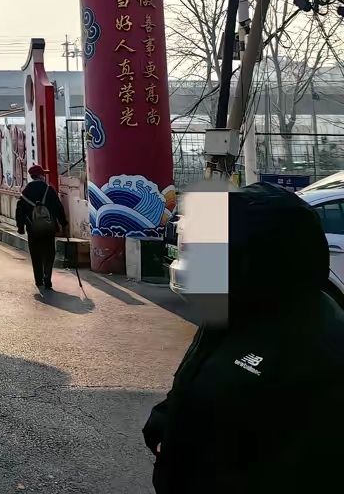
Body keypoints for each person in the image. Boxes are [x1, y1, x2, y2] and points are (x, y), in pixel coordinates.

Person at [142, 183, 342, 493]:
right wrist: (165, 421)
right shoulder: (235, 307)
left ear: (263, 257)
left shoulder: (320, 348)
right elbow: (198, 376)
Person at [15, 164, 67, 291]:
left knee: (36, 254)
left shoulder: (26, 192)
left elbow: (19, 210)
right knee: (49, 253)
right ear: (41, 176)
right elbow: (58, 207)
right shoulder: (49, 190)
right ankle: (47, 277)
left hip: (33, 229)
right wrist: (63, 223)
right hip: (48, 229)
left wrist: (20, 227)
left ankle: (38, 280)